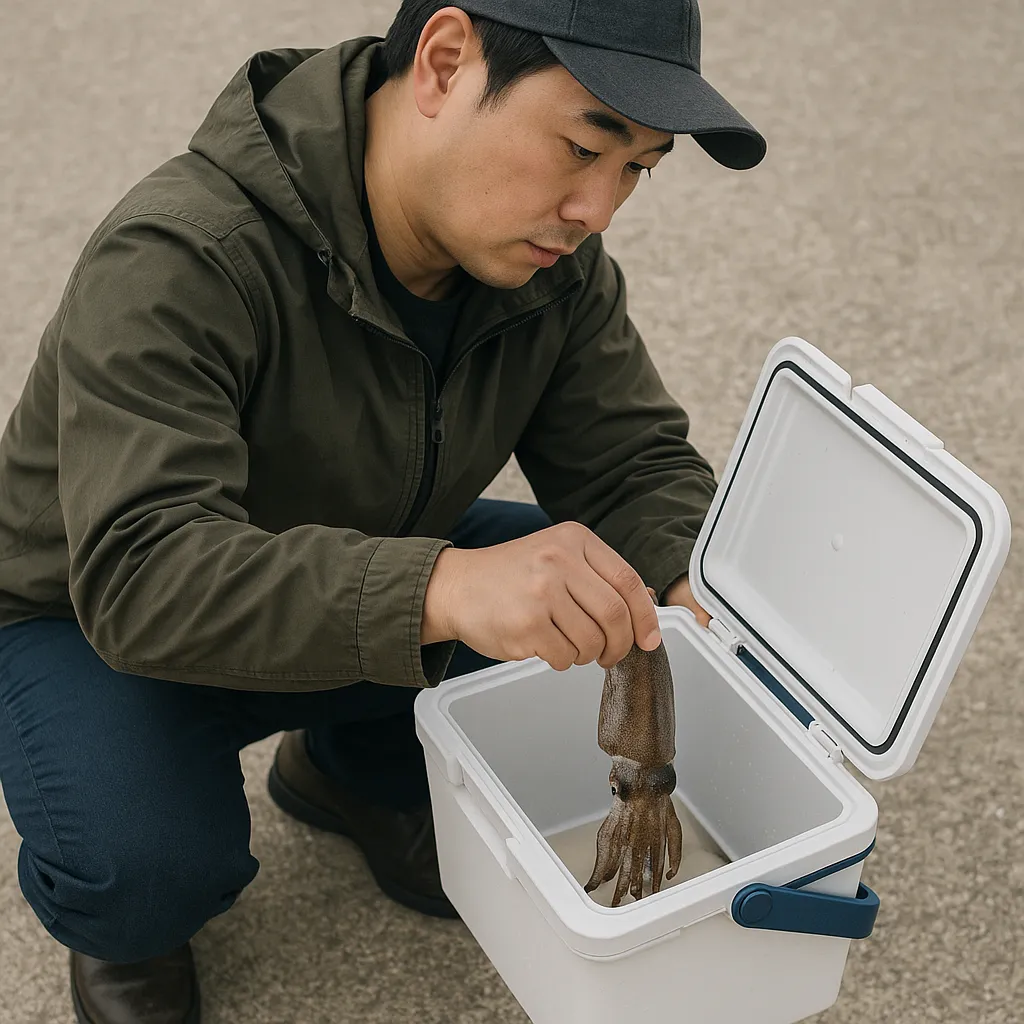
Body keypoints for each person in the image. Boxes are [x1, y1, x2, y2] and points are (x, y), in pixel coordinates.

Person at [0, 0, 765, 1020]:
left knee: (609, 602)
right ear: (444, 63)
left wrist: (689, 587)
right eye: (583, 145)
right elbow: (142, 572)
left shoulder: (548, 271)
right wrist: (442, 585)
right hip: (94, 615)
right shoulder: (179, 254)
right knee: (148, 865)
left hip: (367, 562)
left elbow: (629, 463)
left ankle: (348, 766)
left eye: (636, 167)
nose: (598, 208)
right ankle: (126, 929)